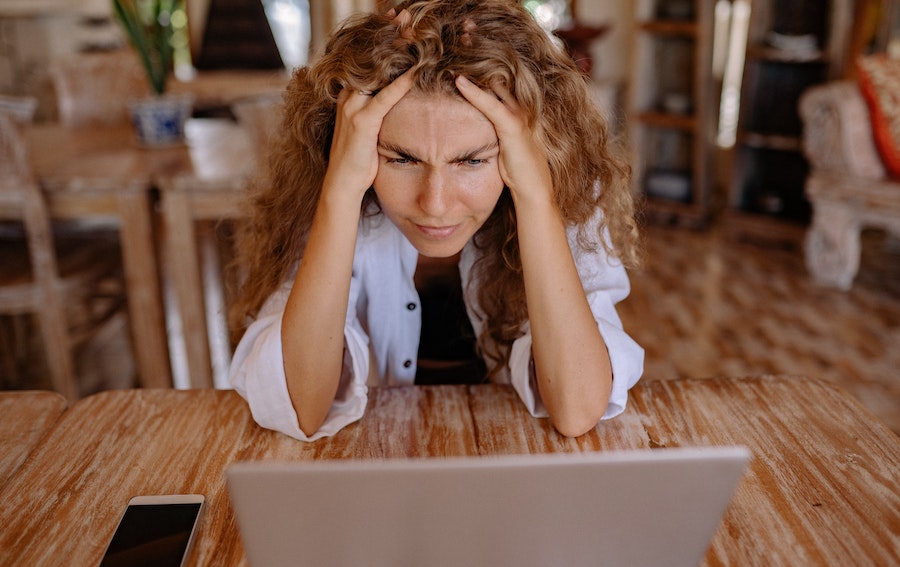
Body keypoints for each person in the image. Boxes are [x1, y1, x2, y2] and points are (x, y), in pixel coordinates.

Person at [228, 0, 644, 441]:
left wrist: (536, 197)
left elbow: (578, 409)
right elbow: (300, 409)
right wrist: (341, 189)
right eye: (403, 158)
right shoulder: (327, 193)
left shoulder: (562, 194)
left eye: (471, 160)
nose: (436, 204)